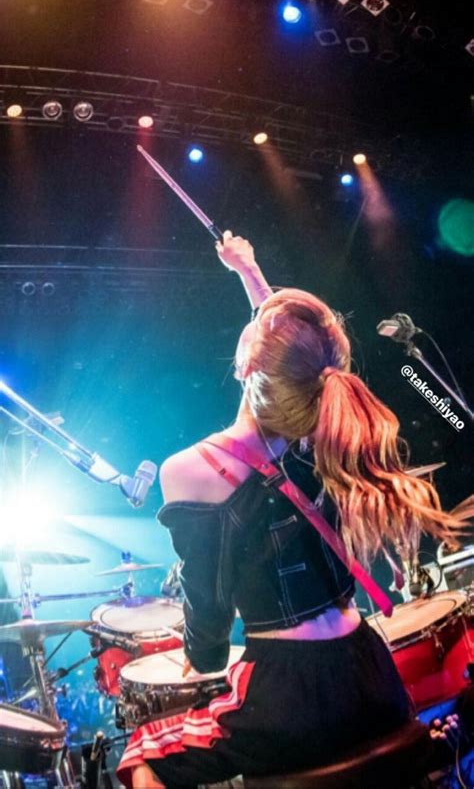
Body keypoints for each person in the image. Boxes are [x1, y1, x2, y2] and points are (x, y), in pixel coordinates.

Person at [117, 232, 470, 789]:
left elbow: (207, 631)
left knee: (141, 754)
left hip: (286, 698)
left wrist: (202, 655)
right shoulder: (322, 435)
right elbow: (292, 355)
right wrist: (248, 270)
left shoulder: (188, 470)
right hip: (370, 672)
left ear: (242, 370)